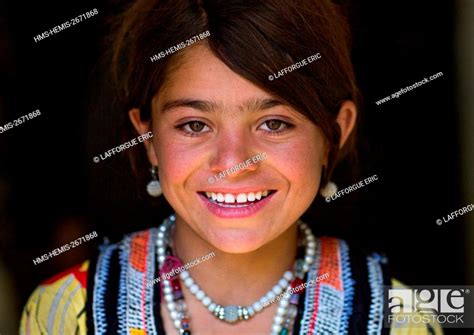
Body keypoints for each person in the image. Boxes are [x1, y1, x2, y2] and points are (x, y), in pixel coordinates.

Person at [20, 0, 443, 334]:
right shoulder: (65, 312)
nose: (233, 164)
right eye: (194, 125)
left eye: (274, 123)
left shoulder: (402, 316)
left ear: (334, 134)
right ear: (148, 140)